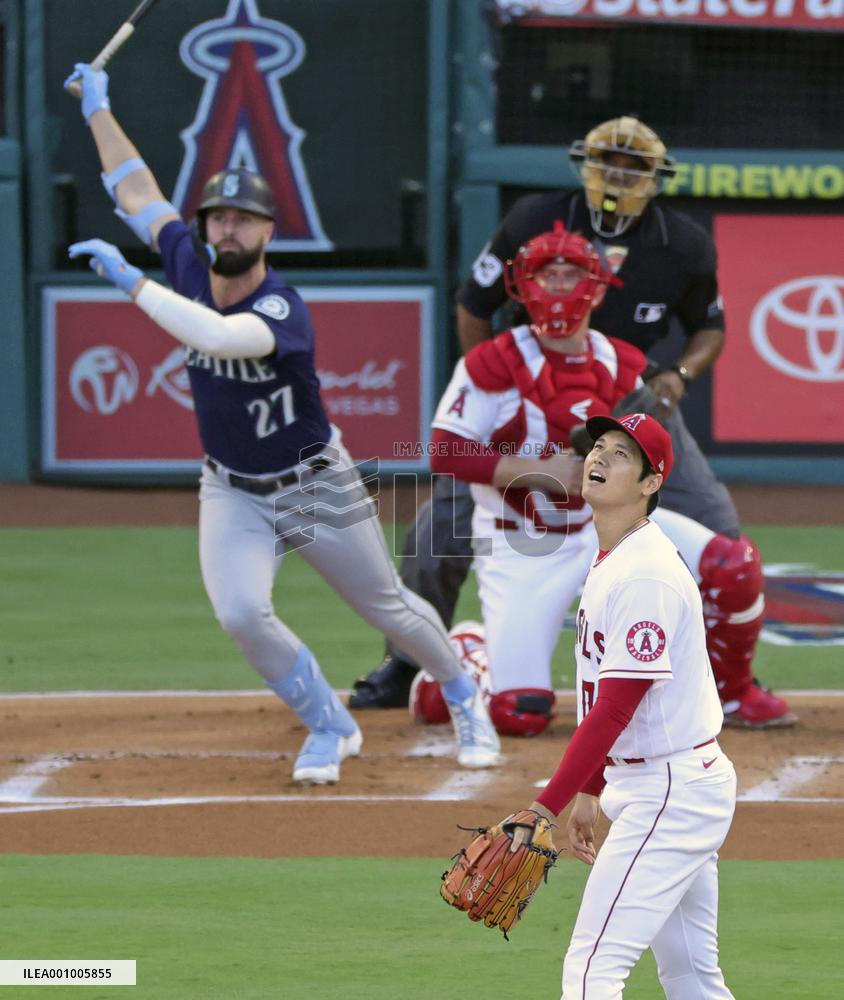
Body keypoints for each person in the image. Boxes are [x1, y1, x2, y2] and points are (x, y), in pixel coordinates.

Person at [63, 62, 500, 783]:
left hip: (313, 483)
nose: (227, 226)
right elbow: (136, 189)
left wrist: (130, 283)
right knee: (241, 613)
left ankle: (460, 691)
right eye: (216, 216)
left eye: (243, 217)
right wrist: (98, 112)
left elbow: (219, 338)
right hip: (232, 489)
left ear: (269, 230)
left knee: (387, 606)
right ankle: (330, 724)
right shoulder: (186, 259)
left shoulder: (280, 308)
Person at [351, 115, 794, 731]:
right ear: (584, 166)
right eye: (606, 161)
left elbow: (709, 327)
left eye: (633, 165)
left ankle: (726, 676)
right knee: (440, 527)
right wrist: (492, 385)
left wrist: (679, 377)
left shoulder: (684, 243)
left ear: (654, 177)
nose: (617, 174)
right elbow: (473, 307)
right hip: (526, 406)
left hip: (628, 395)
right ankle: (410, 661)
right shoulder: (535, 219)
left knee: (718, 529)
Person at [412, 223, 768, 740]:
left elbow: (649, 455)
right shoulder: (490, 362)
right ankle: (472, 650)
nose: (558, 286)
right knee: (521, 714)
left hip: (614, 526)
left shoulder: (623, 363)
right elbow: (444, 453)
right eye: (546, 275)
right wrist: (535, 471)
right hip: (525, 542)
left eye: (570, 275)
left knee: (732, 565)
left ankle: (732, 694)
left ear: (598, 288)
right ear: (520, 285)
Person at [512, 411, 737, 999]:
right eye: (599, 447)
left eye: (621, 454)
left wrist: (545, 807)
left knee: (589, 975)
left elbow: (614, 708)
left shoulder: (644, 576)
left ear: (650, 483)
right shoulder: (618, 554)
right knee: (689, 975)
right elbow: (611, 706)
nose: (600, 458)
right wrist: (589, 791)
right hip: (668, 785)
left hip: (670, 792)